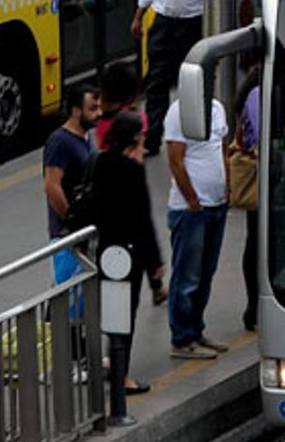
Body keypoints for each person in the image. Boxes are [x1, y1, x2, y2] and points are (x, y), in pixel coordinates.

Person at [90, 111, 166, 421]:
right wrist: (155, 268)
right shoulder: (133, 172)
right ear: (136, 137)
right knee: (126, 317)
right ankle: (122, 377)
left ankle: (111, 365)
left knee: (111, 311)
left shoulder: (100, 163)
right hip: (130, 256)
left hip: (106, 251)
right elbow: (143, 221)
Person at [163, 94, 230, 358]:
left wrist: (228, 187)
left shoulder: (217, 108)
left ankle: (196, 329)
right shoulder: (178, 112)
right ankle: (182, 338)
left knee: (205, 273)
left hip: (216, 204)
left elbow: (222, 148)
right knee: (187, 276)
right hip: (191, 209)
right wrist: (192, 199)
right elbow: (175, 160)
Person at [132, 0, 204, 156]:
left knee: (191, 83)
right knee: (157, 84)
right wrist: (139, 16)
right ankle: (152, 139)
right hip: (164, 25)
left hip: (193, 25)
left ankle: (191, 137)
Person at [42, 85, 100, 279]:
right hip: (66, 237)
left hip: (83, 234)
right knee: (68, 299)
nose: (98, 113)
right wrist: (71, 222)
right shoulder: (59, 141)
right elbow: (51, 186)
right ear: (76, 111)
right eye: (92, 109)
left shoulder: (87, 137)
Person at [234, 66, 261, 331]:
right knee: (257, 242)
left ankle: (255, 305)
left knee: (255, 240)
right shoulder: (257, 95)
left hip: (264, 176)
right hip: (262, 178)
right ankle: (254, 306)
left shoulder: (253, 92)